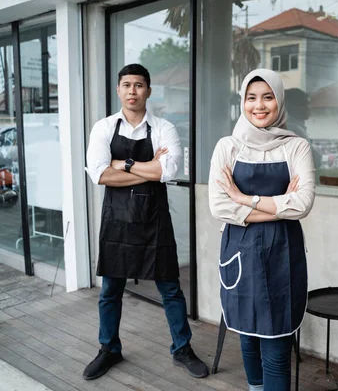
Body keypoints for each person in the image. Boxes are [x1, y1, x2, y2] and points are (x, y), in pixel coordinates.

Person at [84, 63, 208, 380]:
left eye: (139, 85)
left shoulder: (165, 128)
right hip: (118, 220)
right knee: (110, 290)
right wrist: (145, 167)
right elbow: (99, 174)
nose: (132, 91)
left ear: (148, 91)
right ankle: (108, 348)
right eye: (126, 85)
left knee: (170, 289)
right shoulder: (103, 128)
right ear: (118, 90)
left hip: (154, 220)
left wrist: (123, 164)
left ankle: (182, 349)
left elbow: (167, 172)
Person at [208, 69, 316, 391]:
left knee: (277, 347)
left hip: (283, 251)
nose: (259, 105)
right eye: (251, 97)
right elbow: (219, 208)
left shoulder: (296, 147)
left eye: (268, 97)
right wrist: (278, 206)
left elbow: (303, 205)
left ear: (279, 101)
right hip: (239, 252)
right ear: (243, 102)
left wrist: (245, 199)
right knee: (247, 334)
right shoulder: (227, 147)